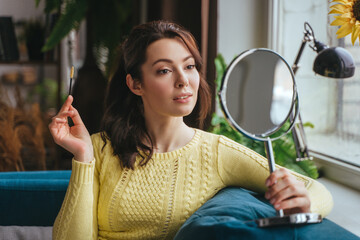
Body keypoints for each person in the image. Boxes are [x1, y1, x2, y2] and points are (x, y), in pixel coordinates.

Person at [49, 20, 333, 240]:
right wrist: (83, 157)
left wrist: (305, 202)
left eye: (190, 66)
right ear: (136, 84)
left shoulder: (216, 152)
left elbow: (316, 190)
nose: (184, 81)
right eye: (164, 70)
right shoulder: (99, 148)